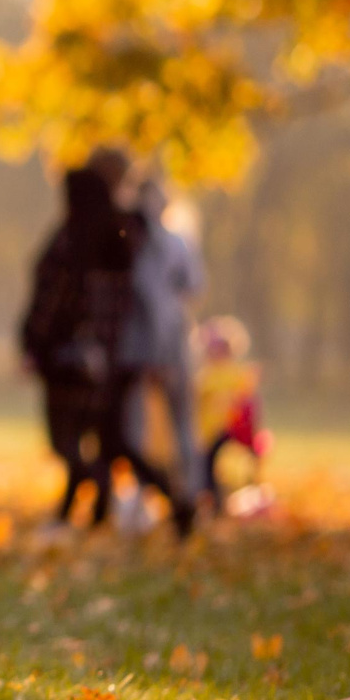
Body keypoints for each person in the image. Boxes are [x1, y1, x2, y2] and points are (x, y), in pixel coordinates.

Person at [20, 154, 193, 537]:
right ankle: (160, 500)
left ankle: (88, 505)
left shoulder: (74, 239)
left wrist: (33, 342)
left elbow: (53, 299)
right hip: (118, 357)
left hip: (72, 358)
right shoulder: (127, 234)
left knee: (71, 441)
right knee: (113, 442)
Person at [124, 175, 206, 500]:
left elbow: (193, 285)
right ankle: (151, 492)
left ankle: (188, 491)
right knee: (140, 427)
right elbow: (194, 285)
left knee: (173, 423)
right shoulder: (149, 243)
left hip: (165, 345)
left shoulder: (170, 242)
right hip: (146, 346)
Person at [196, 316, 271, 502]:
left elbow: (247, 400)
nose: (216, 354)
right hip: (211, 431)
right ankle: (212, 493)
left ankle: (245, 487)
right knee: (207, 461)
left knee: (212, 459)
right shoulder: (206, 376)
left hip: (232, 428)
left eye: (221, 350)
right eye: (213, 350)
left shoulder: (234, 374)